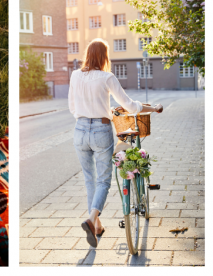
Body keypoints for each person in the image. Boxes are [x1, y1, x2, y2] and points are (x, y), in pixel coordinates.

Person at [68, 38, 163, 248]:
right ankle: (91, 219)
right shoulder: (107, 77)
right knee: (103, 181)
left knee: (89, 180)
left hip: (80, 130)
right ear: (104, 57)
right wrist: (152, 108)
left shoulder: (75, 75)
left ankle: (97, 226)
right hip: (101, 131)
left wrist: (90, 114)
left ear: (87, 55)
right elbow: (128, 104)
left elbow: (72, 106)